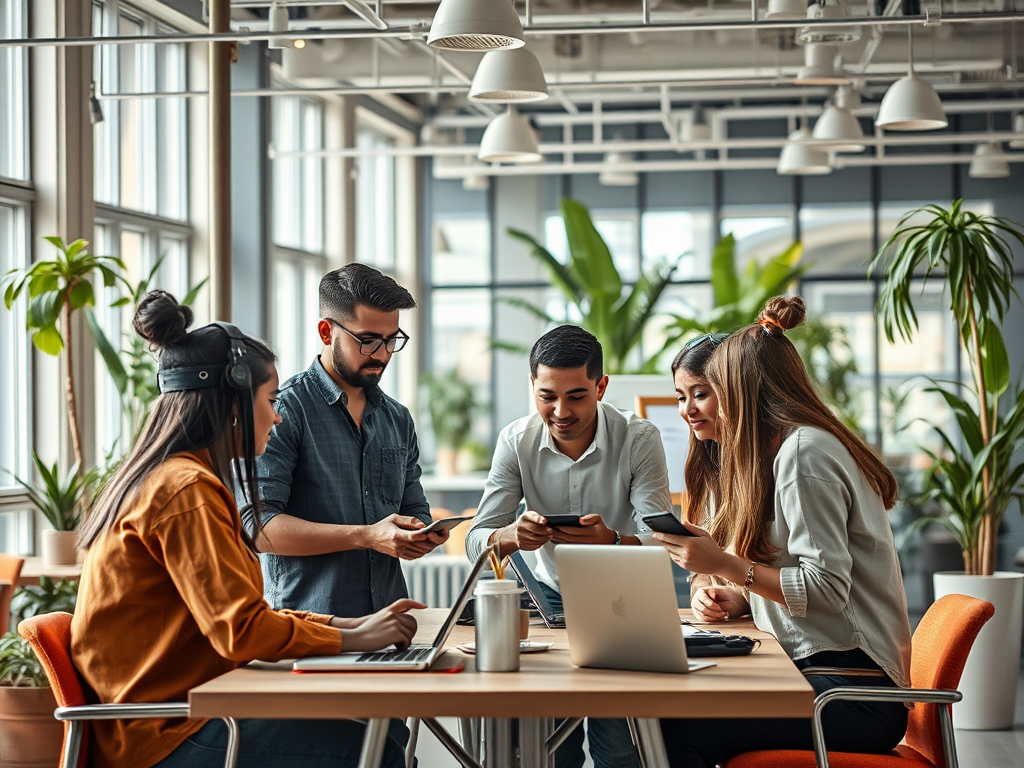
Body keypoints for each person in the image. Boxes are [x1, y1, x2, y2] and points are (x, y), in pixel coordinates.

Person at [72, 291, 421, 768]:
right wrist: (357, 639)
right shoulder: (185, 489)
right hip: (168, 732)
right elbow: (242, 632)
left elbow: (243, 616)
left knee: (372, 731)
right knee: (374, 744)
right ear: (233, 403)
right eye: (271, 401)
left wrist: (353, 625)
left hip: (193, 710)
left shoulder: (174, 477)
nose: (277, 416)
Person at [655, 297, 912, 768]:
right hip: (824, 676)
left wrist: (723, 566)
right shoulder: (782, 454)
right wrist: (742, 597)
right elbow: (803, 578)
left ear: (747, 389)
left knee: (672, 723)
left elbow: (828, 590)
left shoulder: (804, 454)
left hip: (854, 695)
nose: (694, 410)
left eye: (714, 389)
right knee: (669, 711)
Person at [466, 324, 672, 768]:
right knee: (550, 750)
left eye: (576, 396)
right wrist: (510, 536)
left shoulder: (639, 438)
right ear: (533, 387)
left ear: (601, 387)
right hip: (548, 605)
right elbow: (475, 538)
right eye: (547, 396)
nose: (560, 411)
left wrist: (612, 540)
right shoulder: (515, 441)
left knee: (618, 747)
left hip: (624, 602)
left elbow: (663, 541)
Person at [248, 263, 446, 619]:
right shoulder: (283, 411)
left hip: (390, 626)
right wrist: (366, 535)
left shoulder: (397, 418)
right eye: (367, 341)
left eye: (391, 340)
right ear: (326, 332)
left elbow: (415, 510)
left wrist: (420, 536)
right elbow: (259, 528)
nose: (382, 354)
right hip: (308, 632)